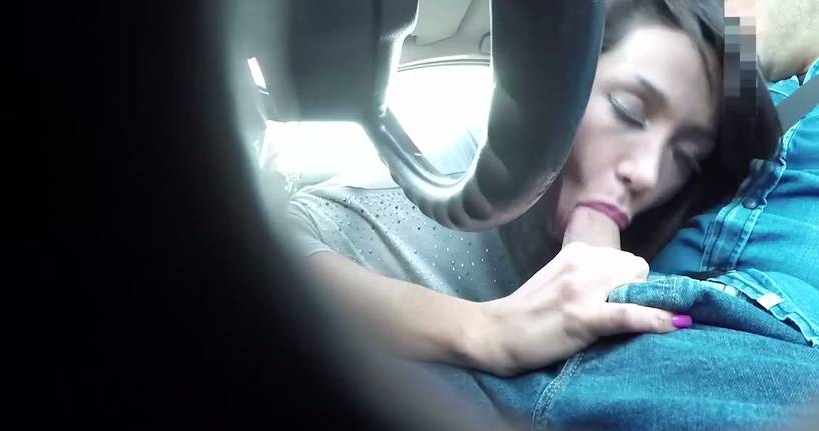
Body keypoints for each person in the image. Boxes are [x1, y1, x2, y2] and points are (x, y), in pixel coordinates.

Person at [288, 0, 758, 376]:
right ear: (557, 92)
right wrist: (484, 332)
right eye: (628, 110)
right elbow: (278, 242)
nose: (649, 173)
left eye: (684, 155)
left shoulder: (675, 245)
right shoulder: (449, 178)